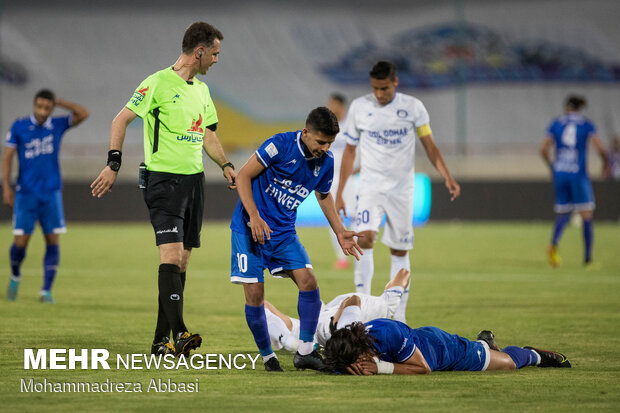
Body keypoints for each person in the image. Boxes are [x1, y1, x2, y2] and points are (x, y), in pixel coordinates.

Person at [90, 22, 236, 357]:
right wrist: (113, 164)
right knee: (170, 256)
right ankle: (181, 332)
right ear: (199, 52)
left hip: (194, 183)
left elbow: (208, 136)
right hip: (163, 183)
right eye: (214, 53)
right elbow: (120, 120)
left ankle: (160, 342)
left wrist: (225, 165)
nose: (216, 60)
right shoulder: (156, 83)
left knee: (181, 263)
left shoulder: (201, 91)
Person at [230, 107, 362, 372]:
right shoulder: (279, 146)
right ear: (306, 133)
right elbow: (244, 175)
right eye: (321, 142)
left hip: (284, 233)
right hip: (249, 230)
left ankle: (305, 351)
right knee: (255, 296)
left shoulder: (326, 162)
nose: (325, 148)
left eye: (330, 143)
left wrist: (339, 231)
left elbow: (323, 195)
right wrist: (254, 216)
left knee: (309, 281)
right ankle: (268, 358)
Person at [335, 61, 460, 322]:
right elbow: (349, 151)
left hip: (403, 190)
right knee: (365, 238)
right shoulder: (360, 107)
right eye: (375, 89)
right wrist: (341, 191)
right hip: (370, 186)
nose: (379, 94)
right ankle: (362, 310)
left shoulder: (413, 108)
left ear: (395, 82)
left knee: (399, 250)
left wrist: (447, 176)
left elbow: (430, 146)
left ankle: (399, 317)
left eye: (384, 89)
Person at [3, 89, 89, 303]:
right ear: (34, 105)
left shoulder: (57, 125)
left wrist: (58, 101)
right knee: (21, 241)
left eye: (47, 107)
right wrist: (6, 186)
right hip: (26, 193)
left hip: (51, 193)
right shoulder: (19, 126)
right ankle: (15, 275)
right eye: (39, 107)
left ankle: (46, 291)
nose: (42, 111)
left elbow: (83, 113)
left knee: (52, 239)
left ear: (51, 108)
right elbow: (7, 158)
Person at [324, 320, 571, 375]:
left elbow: (423, 368)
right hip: (424, 341)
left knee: (508, 364)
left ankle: (534, 354)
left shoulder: (389, 335)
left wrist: (382, 369)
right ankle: (485, 343)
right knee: (490, 352)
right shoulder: (347, 346)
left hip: (442, 350)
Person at [265, 268, 410, 352]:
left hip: (330, 318)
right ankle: (290, 340)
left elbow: (263, 306)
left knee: (262, 308)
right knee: (397, 287)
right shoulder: (381, 308)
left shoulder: (318, 332)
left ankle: (290, 340)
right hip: (342, 315)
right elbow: (353, 300)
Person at [540, 95, 608, 267]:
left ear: (566, 107)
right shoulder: (586, 124)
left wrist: (552, 167)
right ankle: (587, 258)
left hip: (561, 172)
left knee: (563, 212)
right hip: (578, 174)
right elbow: (599, 147)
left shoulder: (556, 123)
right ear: (580, 108)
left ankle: (553, 245)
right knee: (586, 214)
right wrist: (606, 163)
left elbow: (543, 148)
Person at [325, 93, 358, 269]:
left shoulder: (350, 128)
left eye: (332, 104)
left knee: (353, 216)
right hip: (330, 180)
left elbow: (360, 153)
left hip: (349, 179)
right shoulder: (326, 128)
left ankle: (359, 252)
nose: (329, 107)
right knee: (334, 217)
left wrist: (355, 170)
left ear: (340, 106)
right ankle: (341, 257)